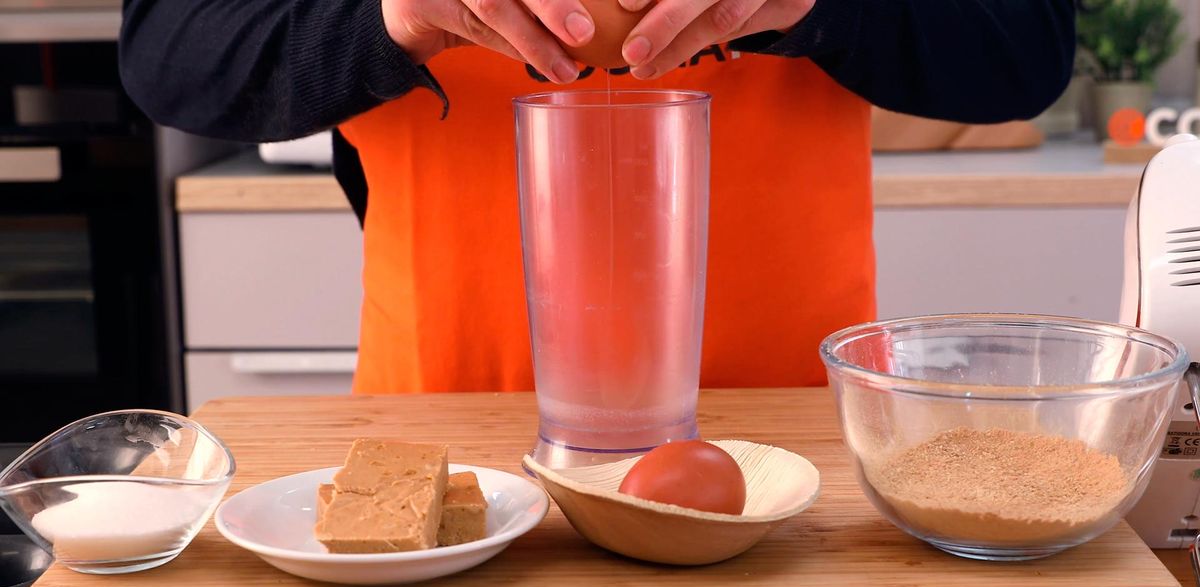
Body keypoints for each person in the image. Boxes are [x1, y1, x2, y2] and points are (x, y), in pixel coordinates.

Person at [119, 0, 1075, 394]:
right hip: (445, 428)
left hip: (786, 440)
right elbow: (171, 50)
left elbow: (1025, 45)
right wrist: (391, 15)